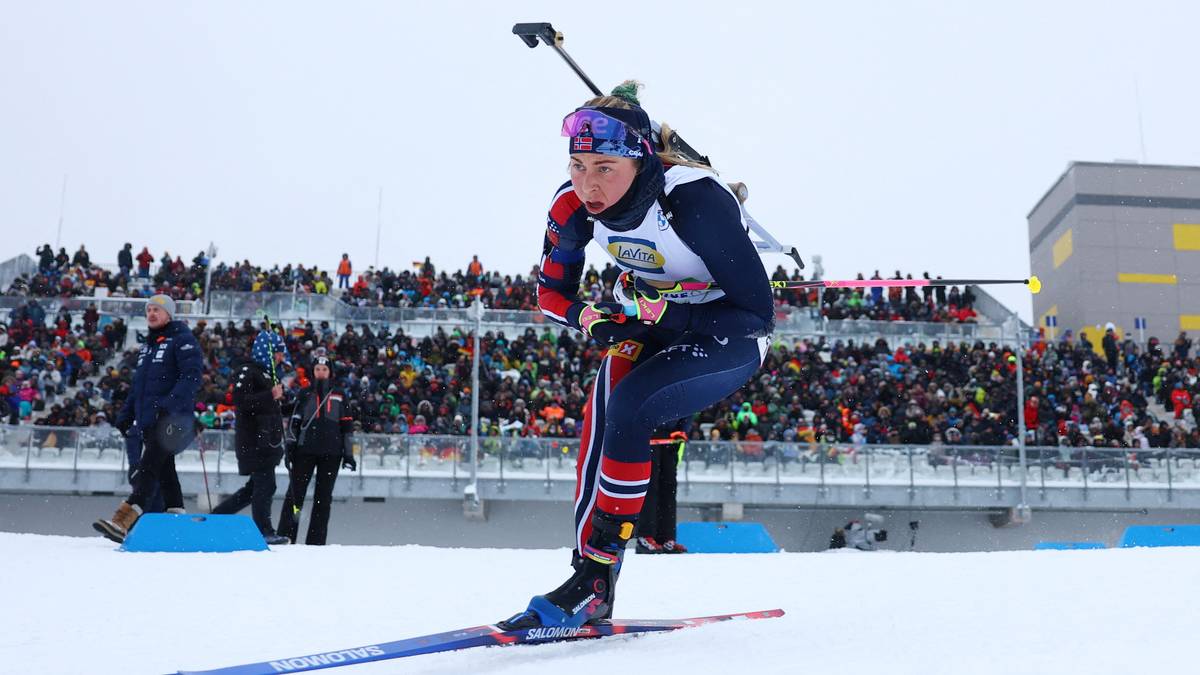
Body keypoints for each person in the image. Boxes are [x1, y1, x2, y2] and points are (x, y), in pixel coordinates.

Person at [500, 81, 774, 630]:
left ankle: (597, 575)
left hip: (724, 333)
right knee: (600, 427)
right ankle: (591, 581)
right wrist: (592, 319)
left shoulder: (694, 201)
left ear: (640, 159)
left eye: (605, 167)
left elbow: (756, 316)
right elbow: (551, 294)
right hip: (651, 319)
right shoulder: (572, 205)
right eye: (578, 165)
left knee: (631, 407)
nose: (588, 183)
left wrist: (668, 315)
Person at [93, 295, 201, 543]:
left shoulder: (182, 340)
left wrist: (169, 406)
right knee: (165, 469)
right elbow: (138, 388)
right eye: (149, 310)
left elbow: (191, 377)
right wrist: (126, 415)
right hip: (150, 419)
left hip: (173, 419)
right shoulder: (148, 347)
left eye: (157, 310)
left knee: (148, 468)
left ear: (169, 315)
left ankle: (122, 521)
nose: (151, 314)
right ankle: (175, 515)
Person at [211, 328, 291, 545]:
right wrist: (270, 395)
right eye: (278, 352)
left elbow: (268, 407)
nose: (281, 357)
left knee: (254, 488)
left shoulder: (269, 374)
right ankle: (263, 531)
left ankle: (217, 515)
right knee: (265, 485)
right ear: (268, 352)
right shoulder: (248, 371)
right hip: (254, 441)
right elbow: (241, 401)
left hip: (267, 441)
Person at [277, 356, 356, 545]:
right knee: (295, 495)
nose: (321, 372)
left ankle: (316, 542)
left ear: (330, 372)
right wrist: (290, 447)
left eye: (324, 369)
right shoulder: (304, 393)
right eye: (317, 369)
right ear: (313, 372)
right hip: (304, 451)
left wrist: (349, 454)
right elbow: (295, 423)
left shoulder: (339, 394)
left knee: (323, 498)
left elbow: (347, 427)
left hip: (332, 453)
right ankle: (286, 536)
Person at [635, 425, 689, 554]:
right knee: (650, 489)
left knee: (669, 490)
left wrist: (683, 428)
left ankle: (666, 538)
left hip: (671, 438)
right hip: (649, 433)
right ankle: (645, 536)